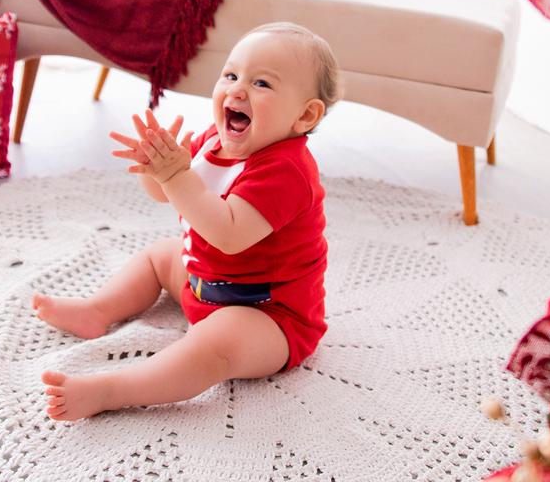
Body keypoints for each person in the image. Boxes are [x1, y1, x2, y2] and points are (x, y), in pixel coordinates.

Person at [32, 22, 340, 421]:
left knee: (215, 346)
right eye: (231, 75)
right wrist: (157, 169)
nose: (237, 89)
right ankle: (98, 310)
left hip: (269, 315)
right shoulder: (217, 139)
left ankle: (112, 389)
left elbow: (230, 233)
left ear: (304, 115)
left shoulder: (288, 171)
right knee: (160, 256)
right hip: (203, 282)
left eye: (261, 83)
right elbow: (166, 192)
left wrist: (177, 177)